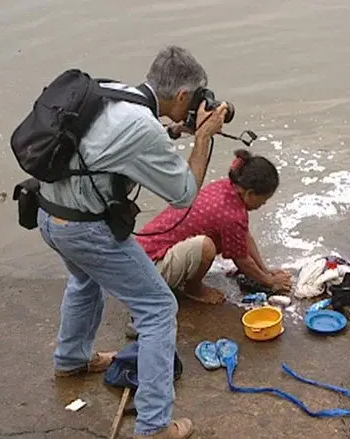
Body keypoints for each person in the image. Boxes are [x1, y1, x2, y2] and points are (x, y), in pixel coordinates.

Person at [36, 46, 227, 438]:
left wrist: (173, 132)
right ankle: (154, 426)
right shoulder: (142, 127)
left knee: (85, 280)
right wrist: (203, 137)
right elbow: (184, 195)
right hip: (84, 230)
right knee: (158, 309)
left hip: (49, 215)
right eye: (195, 99)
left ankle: (71, 360)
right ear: (183, 96)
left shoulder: (113, 92)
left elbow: (111, 146)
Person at [136, 149, 293, 305]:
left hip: (142, 254)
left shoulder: (224, 188)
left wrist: (265, 271)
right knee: (206, 247)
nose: (263, 204)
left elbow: (243, 236)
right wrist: (270, 282)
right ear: (250, 193)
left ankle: (185, 279)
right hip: (151, 272)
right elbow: (241, 259)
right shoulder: (232, 215)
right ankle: (193, 289)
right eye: (263, 200)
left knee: (211, 241)